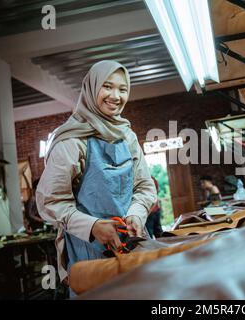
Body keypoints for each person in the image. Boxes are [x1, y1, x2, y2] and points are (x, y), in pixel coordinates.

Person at [36, 60, 157, 293]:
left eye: (123, 89)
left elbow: (144, 187)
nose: (116, 95)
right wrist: (92, 227)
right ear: (92, 89)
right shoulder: (71, 141)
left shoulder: (127, 137)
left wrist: (136, 215)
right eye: (107, 87)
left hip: (133, 246)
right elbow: (50, 201)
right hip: (89, 252)